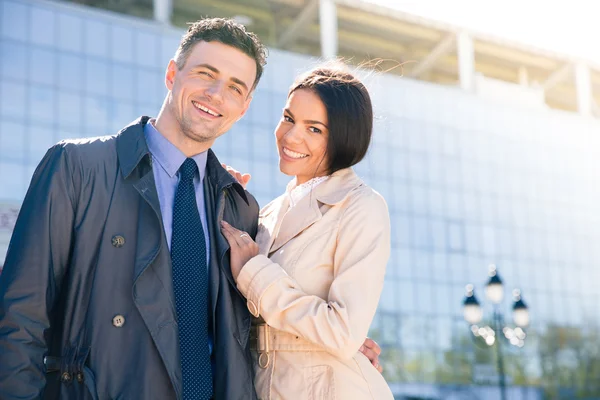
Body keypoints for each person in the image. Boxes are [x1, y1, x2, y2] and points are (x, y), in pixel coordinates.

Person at [0, 18, 381, 400]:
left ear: (244, 106)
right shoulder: (77, 167)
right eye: (205, 73)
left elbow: (238, 328)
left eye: (235, 87)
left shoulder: (239, 207)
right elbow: (19, 320)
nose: (217, 94)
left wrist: (333, 345)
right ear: (172, 74)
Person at [220, 66, 394, 399]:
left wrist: (255, 272)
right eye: (288, 118)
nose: (290, 136)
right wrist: (221, 198)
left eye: (314, 128)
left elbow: (342, 332)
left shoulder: (361, 207)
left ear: (343, 137)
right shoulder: (267, 215)